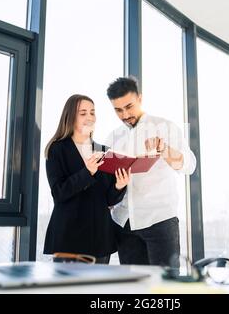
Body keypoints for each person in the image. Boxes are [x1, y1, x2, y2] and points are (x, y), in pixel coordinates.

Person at [105, 77, 196, 267]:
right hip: (124, 222)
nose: (125, 114)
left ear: (140, 98)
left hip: (159, 219)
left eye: (129, 106)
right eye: (118, 110)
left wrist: (165, 150)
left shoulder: (165, 127)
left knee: (165, 286)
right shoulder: (113, 137)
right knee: (134, 287)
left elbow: (189, 165)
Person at [43, 94, 130, 264]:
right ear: (70, 117)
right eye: (83, 113)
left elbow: (108, 200)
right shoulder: (57, 149)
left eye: (92, 112)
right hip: (69, 237)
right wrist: (87, 172)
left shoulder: (104, 150)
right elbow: (59, 193)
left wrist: (119, 186)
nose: (89, 117)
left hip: (100, 237)